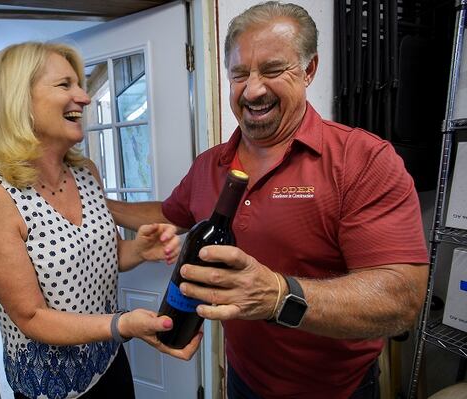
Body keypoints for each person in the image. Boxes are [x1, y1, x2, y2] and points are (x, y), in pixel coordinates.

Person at [107, 2, 429, 398]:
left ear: (309, 70)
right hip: (243, 382)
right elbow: (169, 215)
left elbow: (401, 298)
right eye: (239, 74)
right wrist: (92, 201)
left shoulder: (362, 160)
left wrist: (279, 296)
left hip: (338, 390)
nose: (253, 89)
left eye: (273, 70)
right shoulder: (210, 165)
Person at [0, 41, 201, 399]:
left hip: (107, 359)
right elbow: (32, 317)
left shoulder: (85, 173)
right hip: (53, 388)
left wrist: (139, 249)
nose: (84, 98)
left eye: (80, 85)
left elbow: (102, 257)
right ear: (20, 100)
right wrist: (122, 324)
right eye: (65, 85)